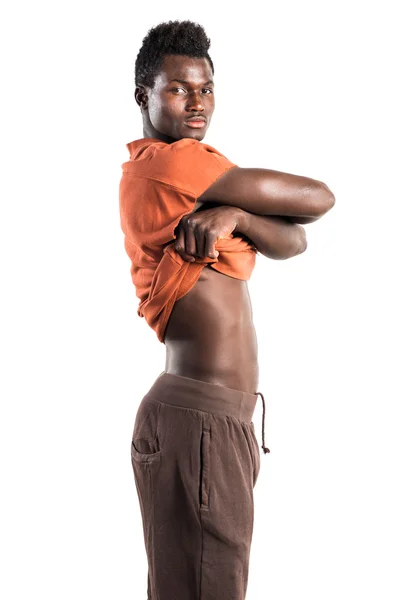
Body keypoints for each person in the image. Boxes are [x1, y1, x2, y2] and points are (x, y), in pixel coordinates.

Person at [119, 19, 335, 600]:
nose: (197, 103)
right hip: (200, 423)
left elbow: (295, 242)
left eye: (206, 88)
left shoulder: (195, 179)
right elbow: (317, 201)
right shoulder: (177, 165)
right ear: (143, 96)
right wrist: (242, 215)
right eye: (178, 88)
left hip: (213, 422)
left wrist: (235, 217)